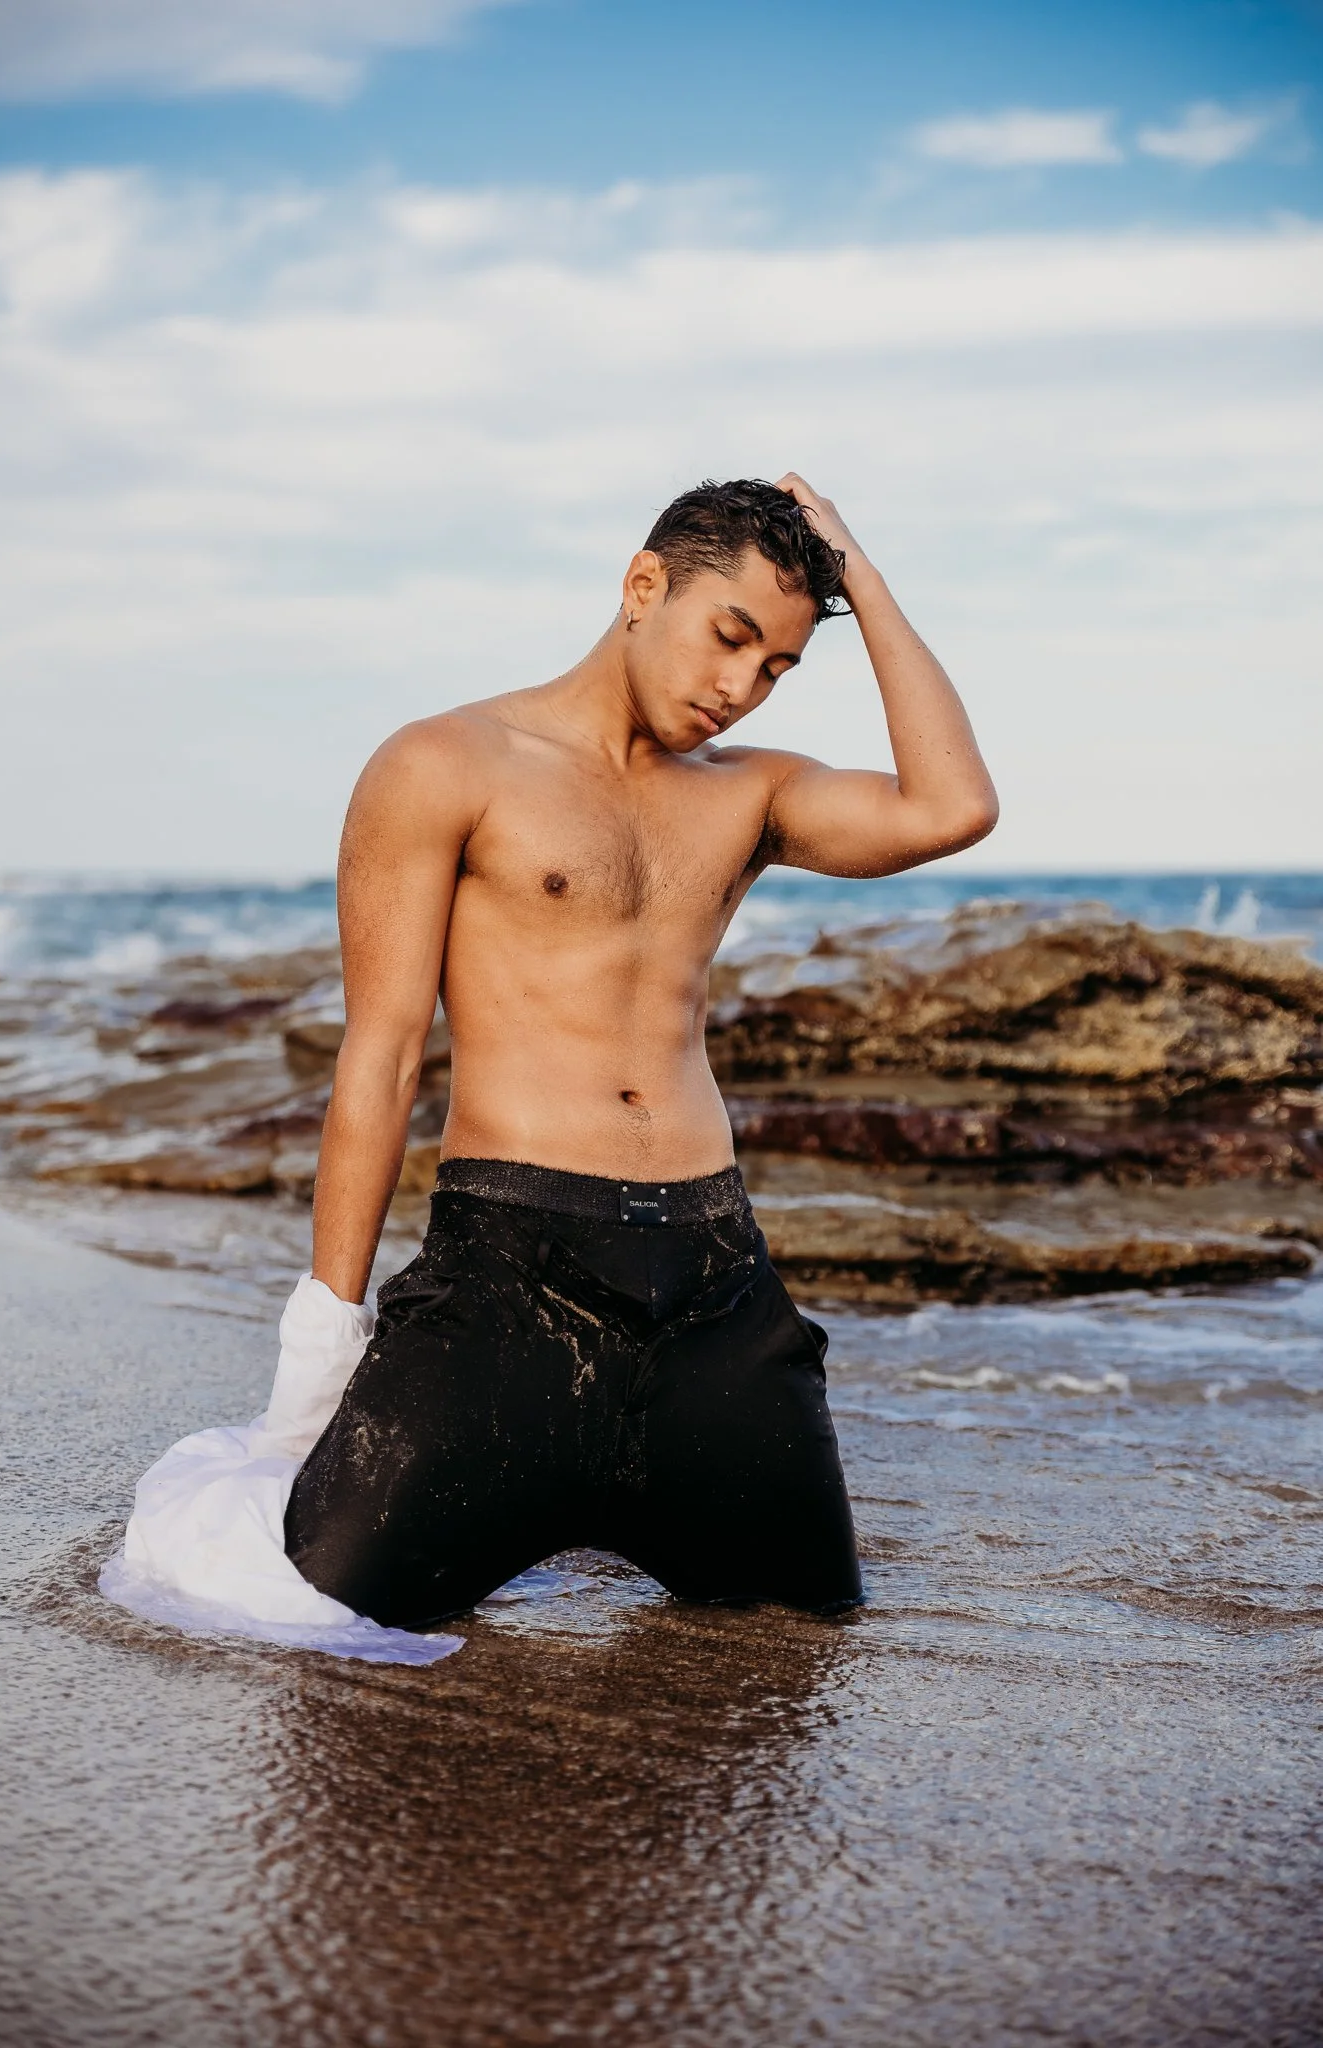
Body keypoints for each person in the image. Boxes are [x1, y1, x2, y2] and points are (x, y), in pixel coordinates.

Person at [279, 474, 999, 1631]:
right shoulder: (445, 762)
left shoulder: (751, 793)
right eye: (730, 637)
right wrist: (324, 1331)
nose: (740, 688)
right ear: (643, 583)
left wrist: (859, 580)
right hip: (510, 1273)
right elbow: (385, 1055)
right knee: (316, 1612)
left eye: (776, 667)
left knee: (805, 1630)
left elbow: (952, 805)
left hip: (716, 1290)